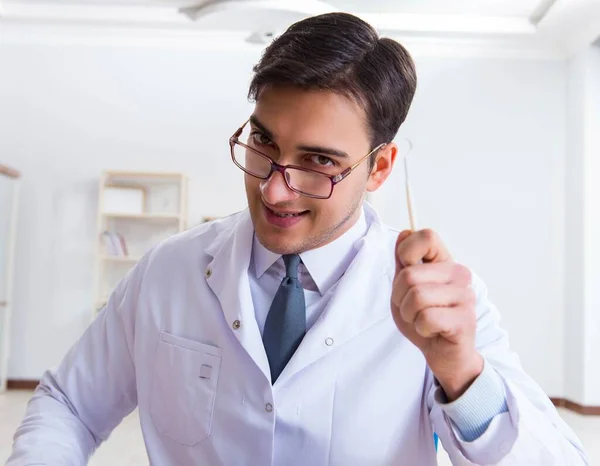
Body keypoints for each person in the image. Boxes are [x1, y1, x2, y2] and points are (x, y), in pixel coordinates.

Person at [7, 12, 588, 466]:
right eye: (262, 142)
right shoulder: (170, 270)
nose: (275, 191)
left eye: (318, 163)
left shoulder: (441, 303)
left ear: (379, 168)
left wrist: (461, 372)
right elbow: (68, 405)